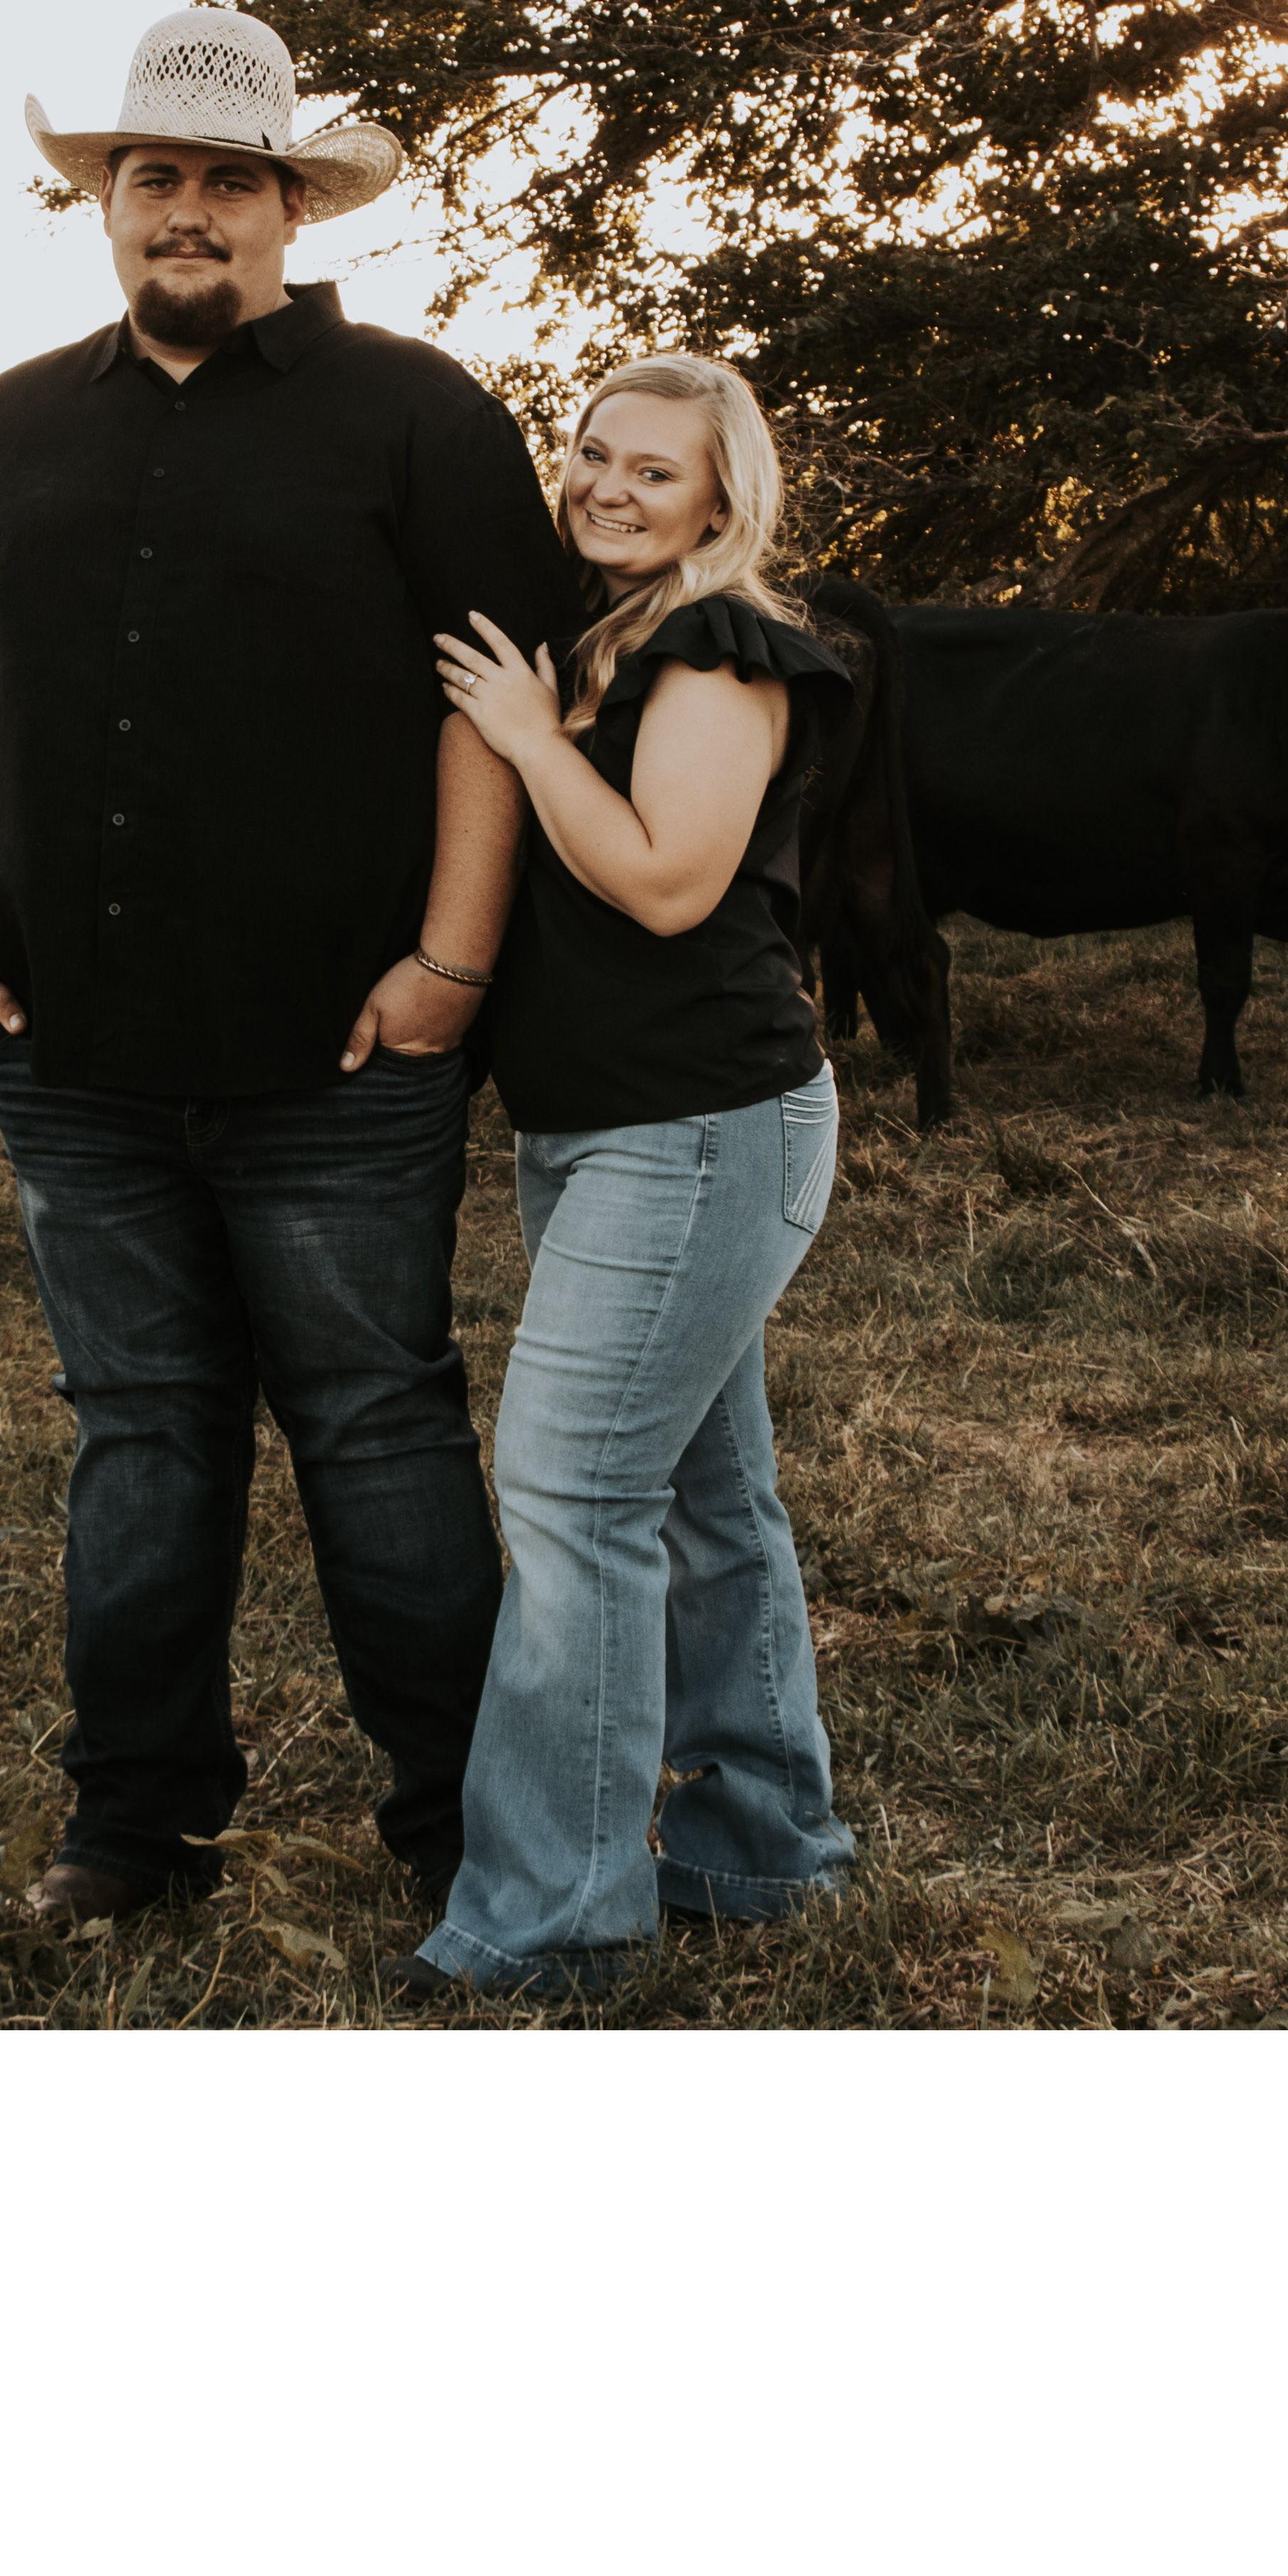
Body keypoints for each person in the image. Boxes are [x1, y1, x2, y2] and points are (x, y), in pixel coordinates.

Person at [0, 4, 581, 1926]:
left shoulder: (418, 416)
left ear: (289, 206)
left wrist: (450, 965)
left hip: (342, 1054)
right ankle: (135, 1831)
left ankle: (468, 1829)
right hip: (68, 1059)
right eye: (152, 175)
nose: (188, 209)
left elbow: (495, 704)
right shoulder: (1, 429)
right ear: (104, 200)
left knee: (377, 1427)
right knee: (143, 1437)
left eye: (228, 181)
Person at [394, 354, 857, 2000]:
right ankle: (760, 1847)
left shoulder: (718, 648)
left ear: (722, 499)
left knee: (573, 1495)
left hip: (701, 1124)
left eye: (653, 470)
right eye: (593, 452)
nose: (605, 485)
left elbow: (667, 885)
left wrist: (526, 738)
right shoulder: (608, 641)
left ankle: (551, 1920)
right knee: (709, 1500)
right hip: (613, 1130)